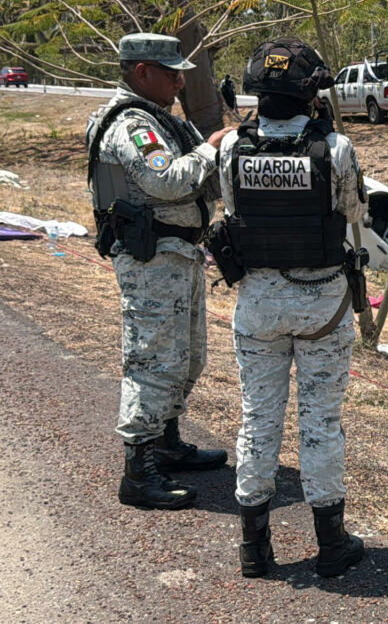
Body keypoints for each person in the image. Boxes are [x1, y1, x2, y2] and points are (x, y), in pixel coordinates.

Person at [210, 37, 368, 579]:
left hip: (257, 306)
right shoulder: (336, 150)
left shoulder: (232, 148)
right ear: (312, 95)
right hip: (322, 306)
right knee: (321, 421)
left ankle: (254, 548)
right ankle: (331, 545)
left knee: (258, 418)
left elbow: (231, 209)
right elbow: (353, 212)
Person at [85, 33, 232, 510]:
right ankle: (139, 469)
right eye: (171, 73)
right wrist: (210, 148)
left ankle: (165, 440)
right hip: (151, 261)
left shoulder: (159, 119)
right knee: (152, 361)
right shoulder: (131, 125)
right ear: (142, 72)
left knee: (187, 357)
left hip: (177, 255)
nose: (179, 80)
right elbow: (165, 180)